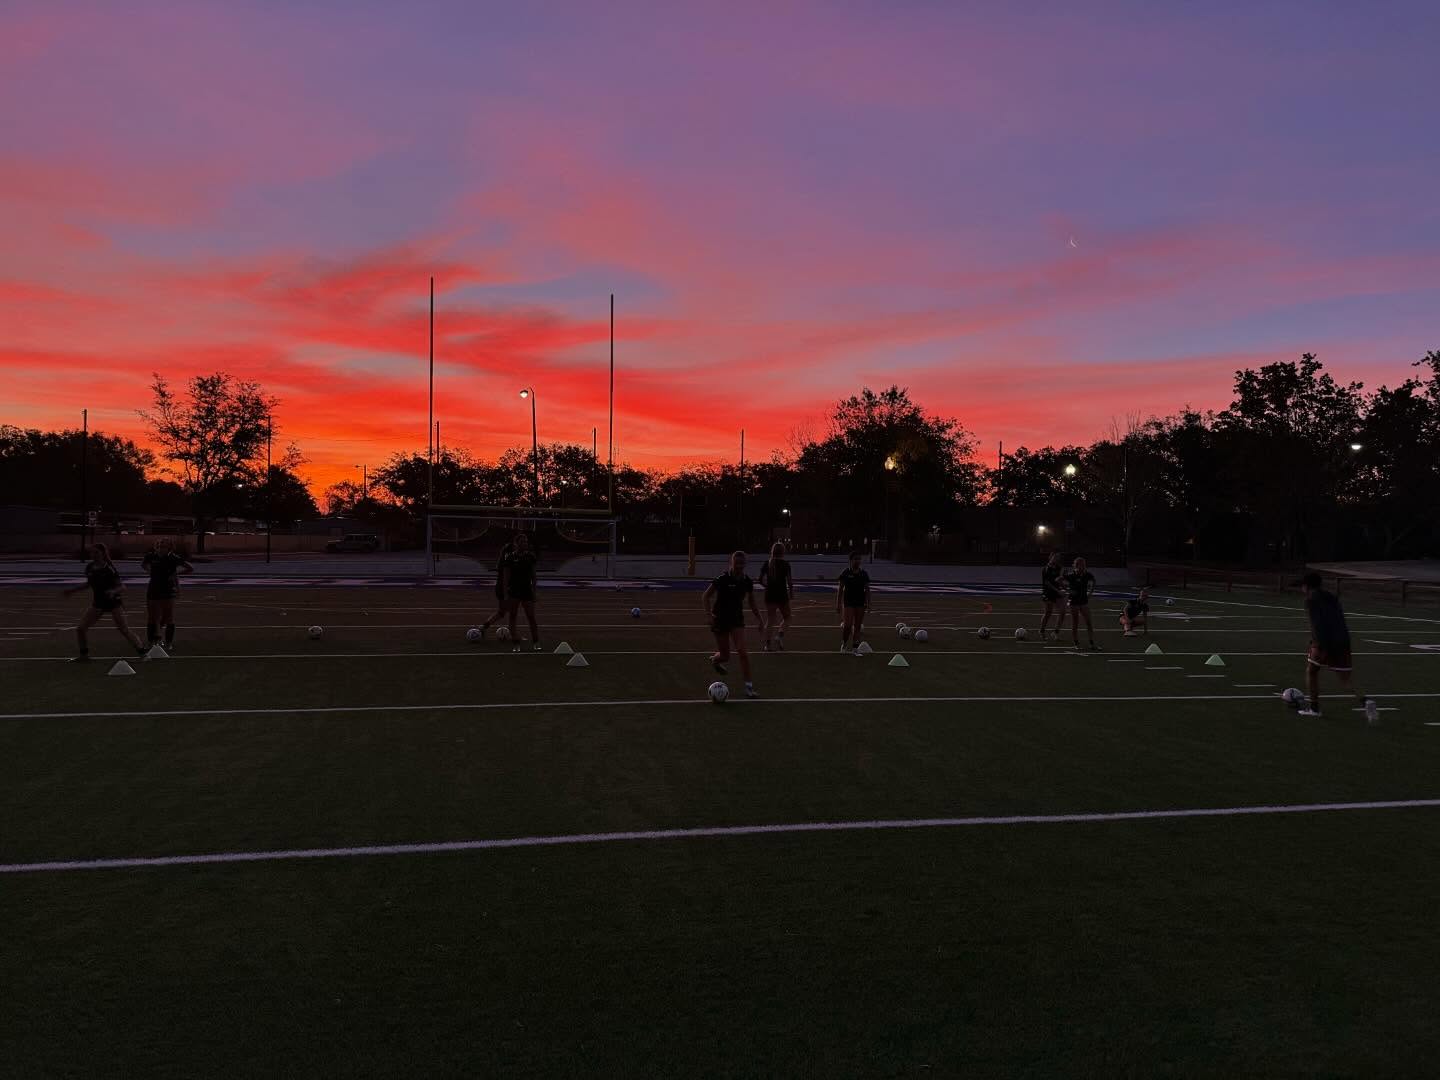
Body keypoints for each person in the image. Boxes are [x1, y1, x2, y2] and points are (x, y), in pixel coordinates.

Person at [1300, 572, 1378, 723]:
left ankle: (1314, 709)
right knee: (1345, 678)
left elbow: (1316, 623)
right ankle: (1365, 700)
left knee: (1311, 671)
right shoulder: (1331, 597)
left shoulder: (1310, 600)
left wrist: (1316, 642)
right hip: (1342, 640)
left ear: (1307, 586)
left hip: (1324, 641)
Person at [63, 542, 147, 661]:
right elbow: (89, 584)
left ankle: (143, 653)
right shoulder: (90, 567)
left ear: (102, 553)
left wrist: (113, 591)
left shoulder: (109, 568)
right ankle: (84, 655)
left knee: (124, 629)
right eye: (92, 552)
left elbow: (122, 586)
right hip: (98, 602)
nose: (93, 555)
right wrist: (72, 591)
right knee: (81, 628)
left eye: (96, 552)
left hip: (113, 602)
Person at [703, 550, 764, 698]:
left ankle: (749, 688)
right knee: (725, 656)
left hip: (737, 619)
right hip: (721, 619)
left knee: (742, 651)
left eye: (742, 563)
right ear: (731, 563)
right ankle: (715, 660)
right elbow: (705, 596)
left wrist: (760, 619)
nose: (739, 566)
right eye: (737, 563)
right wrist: (708, 615)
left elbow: (752, 601)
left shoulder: (747, 581)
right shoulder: (722, 578)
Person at [141, 537, 193, 651]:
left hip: (167, 589)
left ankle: (168, 642)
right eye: (159, 546)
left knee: (168, 617)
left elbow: (190, 568)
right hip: (153, 588)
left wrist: (174, 574)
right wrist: (150, 571)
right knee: (151, 617)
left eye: (163, 546)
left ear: (169, 548)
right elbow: (143, 565)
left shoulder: (173, 558)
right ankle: (151, 642)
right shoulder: (151, 556)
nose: (160, 548)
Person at [505, 532, 542, 652]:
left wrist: (535, 592)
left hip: (526, 590)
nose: (524, 543)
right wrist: (506, 592)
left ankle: (536, 641)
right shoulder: (509, 557)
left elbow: (533, 576)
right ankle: (515, 642)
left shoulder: (531, 557)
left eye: (526, 541)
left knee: (531, 617)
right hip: (514, 590)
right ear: (516, 544)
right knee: (513, 616)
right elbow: (506, 577)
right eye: (522, 541)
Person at [757, 542, 794, 651]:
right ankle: (780, 635)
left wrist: (766, 586)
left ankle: (767, 645)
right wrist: (791, 592)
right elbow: (790, 582)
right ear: (783, 552)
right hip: (782, 594)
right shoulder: (786, 564)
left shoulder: (767, 563)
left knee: (770, 619)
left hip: (770, 594)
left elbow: (759, 579)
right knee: (787, 617)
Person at [837, 550, 871, 654]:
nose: (858, 561)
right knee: (847, 625)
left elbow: (867, 589)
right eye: (856, 559)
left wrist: (868, 602)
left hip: (860, 602)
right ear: (850, 560)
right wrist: (838, 604)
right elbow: (840, 589)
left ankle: (855, 647)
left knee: (858, 626)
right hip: (848, 602)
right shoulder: (845, 573)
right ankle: (844, 644)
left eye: (859, 559)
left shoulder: (864, 574)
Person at [478, 538, 513, 639]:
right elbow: (507, 577)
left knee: (502, 612)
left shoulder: (503, 560)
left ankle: (483, 627)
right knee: (511, 611)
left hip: (500, 587)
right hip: (506, 588)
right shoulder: (510, 560)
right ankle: (512, 633)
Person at [1065, 556, 1100, 651]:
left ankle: (1091, 643)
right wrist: (1068, 590)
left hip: (1084, 601)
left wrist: (1090, 592)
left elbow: (1094, 581)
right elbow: (1058, 580)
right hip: (1074, 601)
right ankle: (1076, 643)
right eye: (1081, 565)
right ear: (1076, 566)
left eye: (1084, 565)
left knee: (1089, 622)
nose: (1083, 567)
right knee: (1075, 622)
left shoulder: (1087, 574)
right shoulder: (1071, 575)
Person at [1040, 552, 1065, 640]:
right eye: (1055, 557)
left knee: (1062, 612)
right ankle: (1042, 631)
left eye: (1058, 557)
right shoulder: (1046, 568)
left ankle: (1055, 632)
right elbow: (1048, 583)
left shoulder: (1060, 568)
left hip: (1057, 593)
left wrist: (1064, 588)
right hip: (1048, 592)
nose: (1056, 559)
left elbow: (1060, 581)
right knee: (1048, 613)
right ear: (1050, 557)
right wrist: (1058, 590)